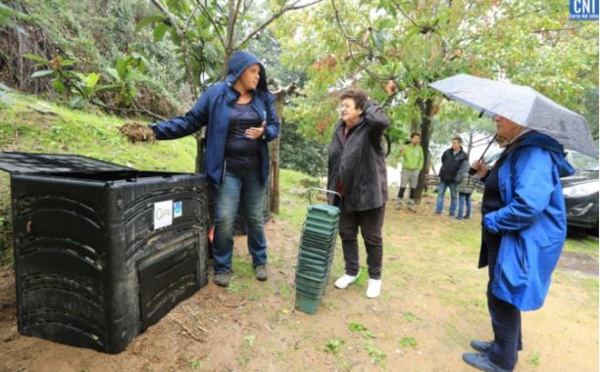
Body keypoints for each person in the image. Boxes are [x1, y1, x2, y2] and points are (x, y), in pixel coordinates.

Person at [128, 51, 280, 288]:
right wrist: (153, 131)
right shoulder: (216, 94)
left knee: (254, 218)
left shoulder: (262, 98)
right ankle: (222, 266)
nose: (257, 76)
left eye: (259, 72)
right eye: (253, 71)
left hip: (254, 169)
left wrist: (265, 133)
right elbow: (190, 121)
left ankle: (260, 260)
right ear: (239, 71)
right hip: (227, 169)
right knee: (225, 218)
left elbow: (274, 127)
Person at [462, 115, 575, 372]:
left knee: (503, 295)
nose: (496, 117)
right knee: (501, 292)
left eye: (503, 115)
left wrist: (493, 221)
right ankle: (505, 346)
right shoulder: (518, 146)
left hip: (514, 235)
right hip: (506, 234)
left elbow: (529, 204)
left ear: (523, 120)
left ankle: (502, 361)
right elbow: (508, 186)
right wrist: (486, 174)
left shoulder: (534, 151)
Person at [327, 88, 390, 299]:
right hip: (344, 194)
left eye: (347, 106)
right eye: (341, 105)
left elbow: (381, 121)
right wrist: (332, 191)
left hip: (369, 194)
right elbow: (336, 160)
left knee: (371, 237)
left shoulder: (370, 129)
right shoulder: (339, 128)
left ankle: (375, 278)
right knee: (346, 233)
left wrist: (368, 100)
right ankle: (351, 271)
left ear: (360, 109)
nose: (342, 109)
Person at [435, 137, 468, 216]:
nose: (453, 144)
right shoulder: (447, 152)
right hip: (444, 177)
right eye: (452, 142)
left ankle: (452, 212)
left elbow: (464, 168)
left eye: (455, 143)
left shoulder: (464, 155)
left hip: (454, 179)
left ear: (459, 144)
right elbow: (442, 160)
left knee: (453, 196)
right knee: (440, 194)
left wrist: (458, 177)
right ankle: (438, 211)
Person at [395, 132, 424, 211]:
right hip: (406, 170)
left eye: (418, 139)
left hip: (415, 171)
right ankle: (398, 203)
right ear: (411, 139)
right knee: (403, 187)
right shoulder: (406, 147)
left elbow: (421, 159)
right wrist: (400, 151)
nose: (416, 140)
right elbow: (397, 156)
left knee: (413, 188)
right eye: (415, 138)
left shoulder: (419, 148)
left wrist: (419, 169)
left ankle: (411, 204)